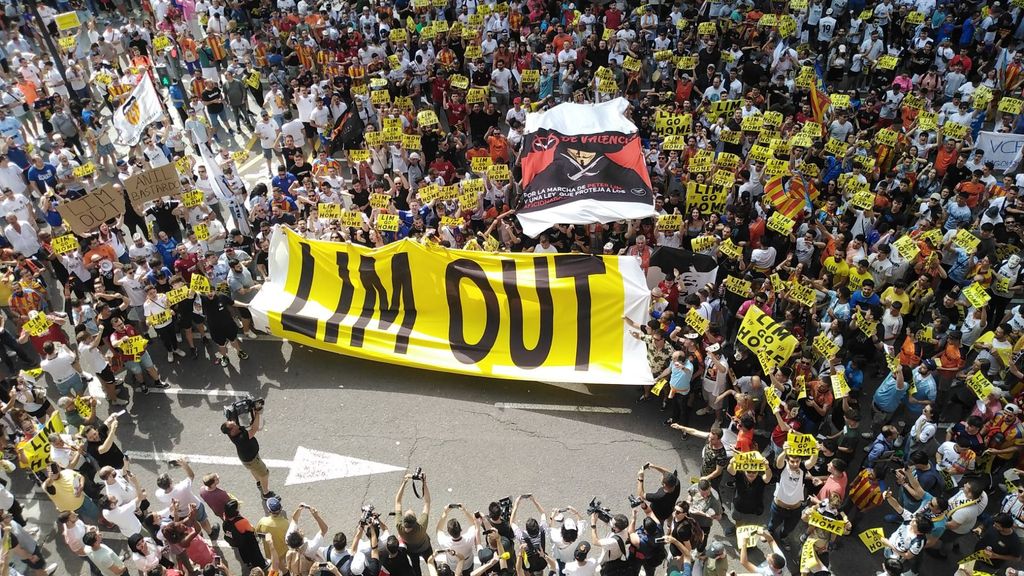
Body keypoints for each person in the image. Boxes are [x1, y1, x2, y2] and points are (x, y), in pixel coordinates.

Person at [221, 403, 271, 499]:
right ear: (232, 431)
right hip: (252, 459)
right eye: (233, 424)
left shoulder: (231, 432)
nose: (235, 423)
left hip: (247, 459)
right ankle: (266, 493)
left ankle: (258, 483)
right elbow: (254, 429)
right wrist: (257, 413)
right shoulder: (241, 438)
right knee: (264, 474)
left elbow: (233, 419)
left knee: (253, 470)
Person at [394, 471, 432, 576]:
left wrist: (404, 482)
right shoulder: (421, 526)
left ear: (403, 521)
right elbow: (427, 502)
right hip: (425, 547)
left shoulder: (399, 526)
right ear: (416, 521)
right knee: (431, 563)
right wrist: (424, 482)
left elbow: (398, 502)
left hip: (411, 551)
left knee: (416, 567)